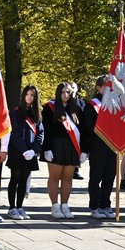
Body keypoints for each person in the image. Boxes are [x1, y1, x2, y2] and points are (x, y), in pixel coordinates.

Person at [41, 82, 85, 219]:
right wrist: (46, 148)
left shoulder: (77, 108)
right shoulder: (49, 108)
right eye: (63, 92)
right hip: (55, 146)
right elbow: (45, 130)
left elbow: (82, 131)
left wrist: (84, 150)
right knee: (54, 177)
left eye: (68, 92)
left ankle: (65, 205)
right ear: (58, 93)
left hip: (71, 147)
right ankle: (55, 206)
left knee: (67, 177)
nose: (65, 95)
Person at [82, 76, 117, 219]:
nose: (109, 89)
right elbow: (89, 128)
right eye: (105, 86)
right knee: (96, 177)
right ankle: (95, 206)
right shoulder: (92, 105)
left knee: (109, 177)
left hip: (113, 147)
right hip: (98, 146)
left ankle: (106, 205)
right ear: (99, 88)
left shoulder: (117, 104)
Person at [6, 85, 43, 220]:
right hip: (18, 152)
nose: (29, 97)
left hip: (31, 153)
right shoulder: (15, 112)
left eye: (32, 95)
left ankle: (20, 206)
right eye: (27, 94)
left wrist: (34, 150)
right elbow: (14, 133)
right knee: (15, 179)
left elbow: (41, 133)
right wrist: (24, 150)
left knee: (24, 180)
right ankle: (12, 208)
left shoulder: (37, 113)